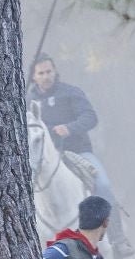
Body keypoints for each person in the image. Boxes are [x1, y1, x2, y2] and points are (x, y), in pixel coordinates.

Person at [28, 55, 115, 207]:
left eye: (49, 71)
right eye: (41, 73)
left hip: (77, 153)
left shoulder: (71, 92)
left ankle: (112, 228)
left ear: (55, 71)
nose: (46, 76)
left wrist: (69, 128)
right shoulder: (27, 101)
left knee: (103, 185)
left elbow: (90, 117)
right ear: (34, 76)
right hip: (42, 159)